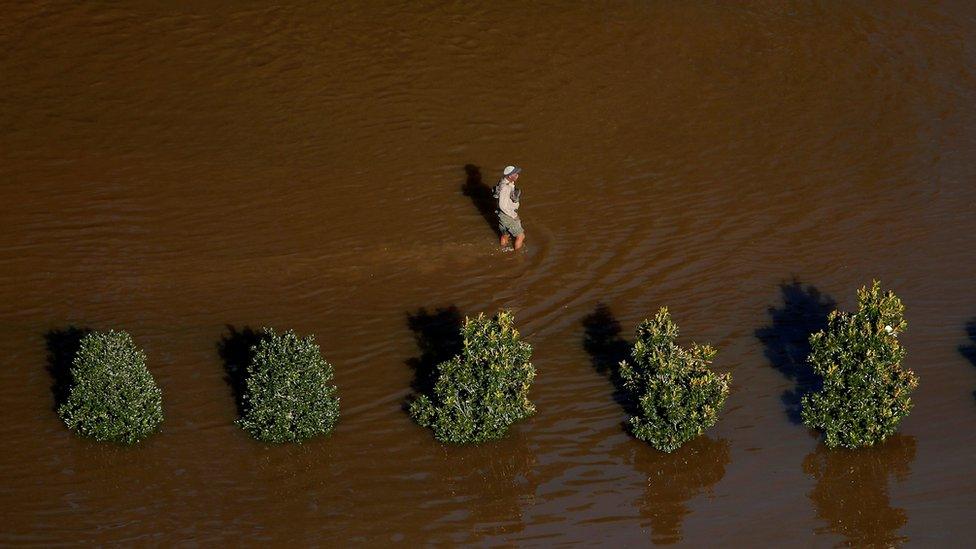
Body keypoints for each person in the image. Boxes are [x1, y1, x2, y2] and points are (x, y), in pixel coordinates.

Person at [495, 165, 525, 251]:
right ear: (509, 176)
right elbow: (503, 206)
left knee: (505, 235)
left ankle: (503, 249)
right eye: (515, 174)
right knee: (521, 236)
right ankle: (518, 256)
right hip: (508, 216)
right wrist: (513, 215)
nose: (517, 175)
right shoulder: (506, 187)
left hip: (501, 216)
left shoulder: (503, 183)